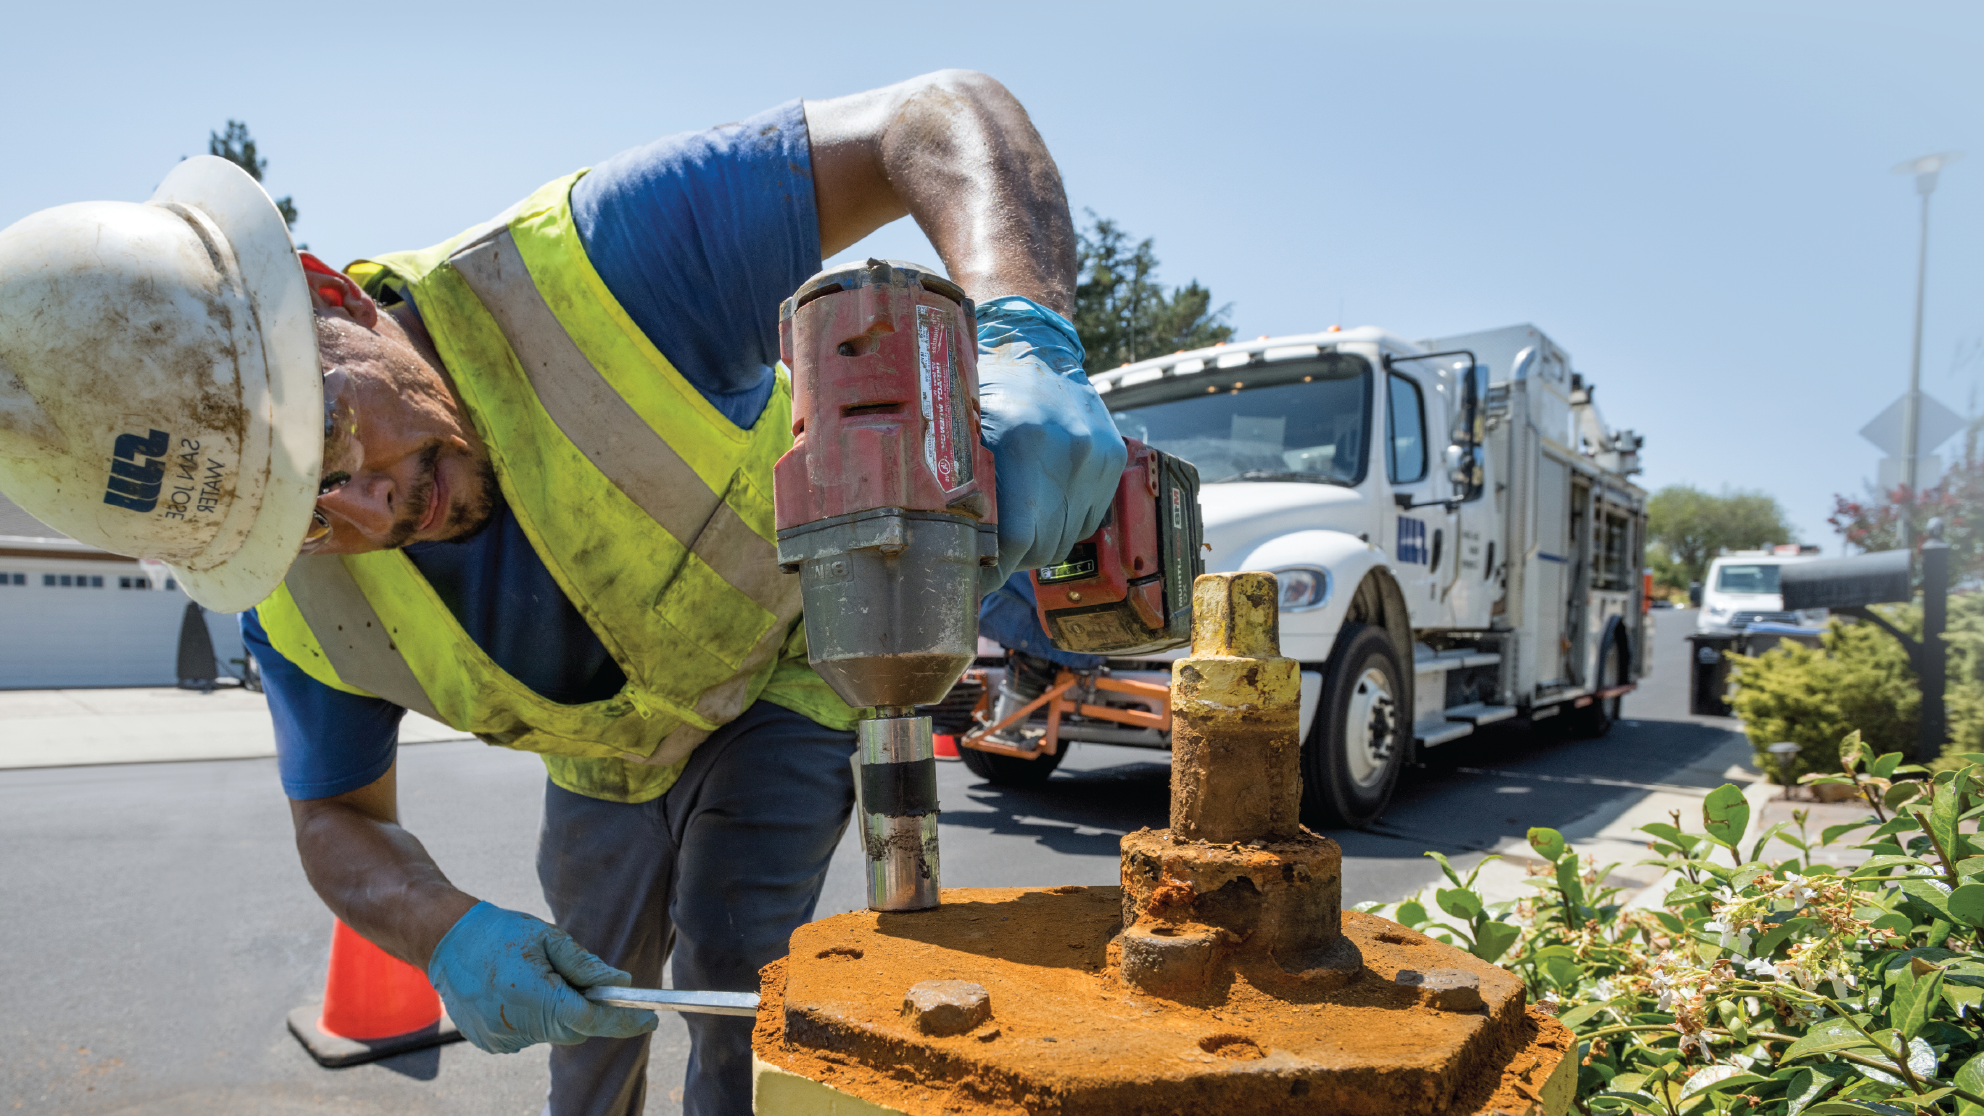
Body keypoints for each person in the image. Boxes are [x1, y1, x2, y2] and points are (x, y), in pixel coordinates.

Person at [0, 70, 1124, 1115]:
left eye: (334, 437)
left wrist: (1026, 337)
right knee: (590, 1014)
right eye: (297, 517)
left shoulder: (601, 266)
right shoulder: (300, 616)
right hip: (602, 766)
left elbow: (930, 117)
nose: (369, 513)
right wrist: (446, 934)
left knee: (737, 964)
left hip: (782, 670)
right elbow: (335, 821)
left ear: (330, 296)